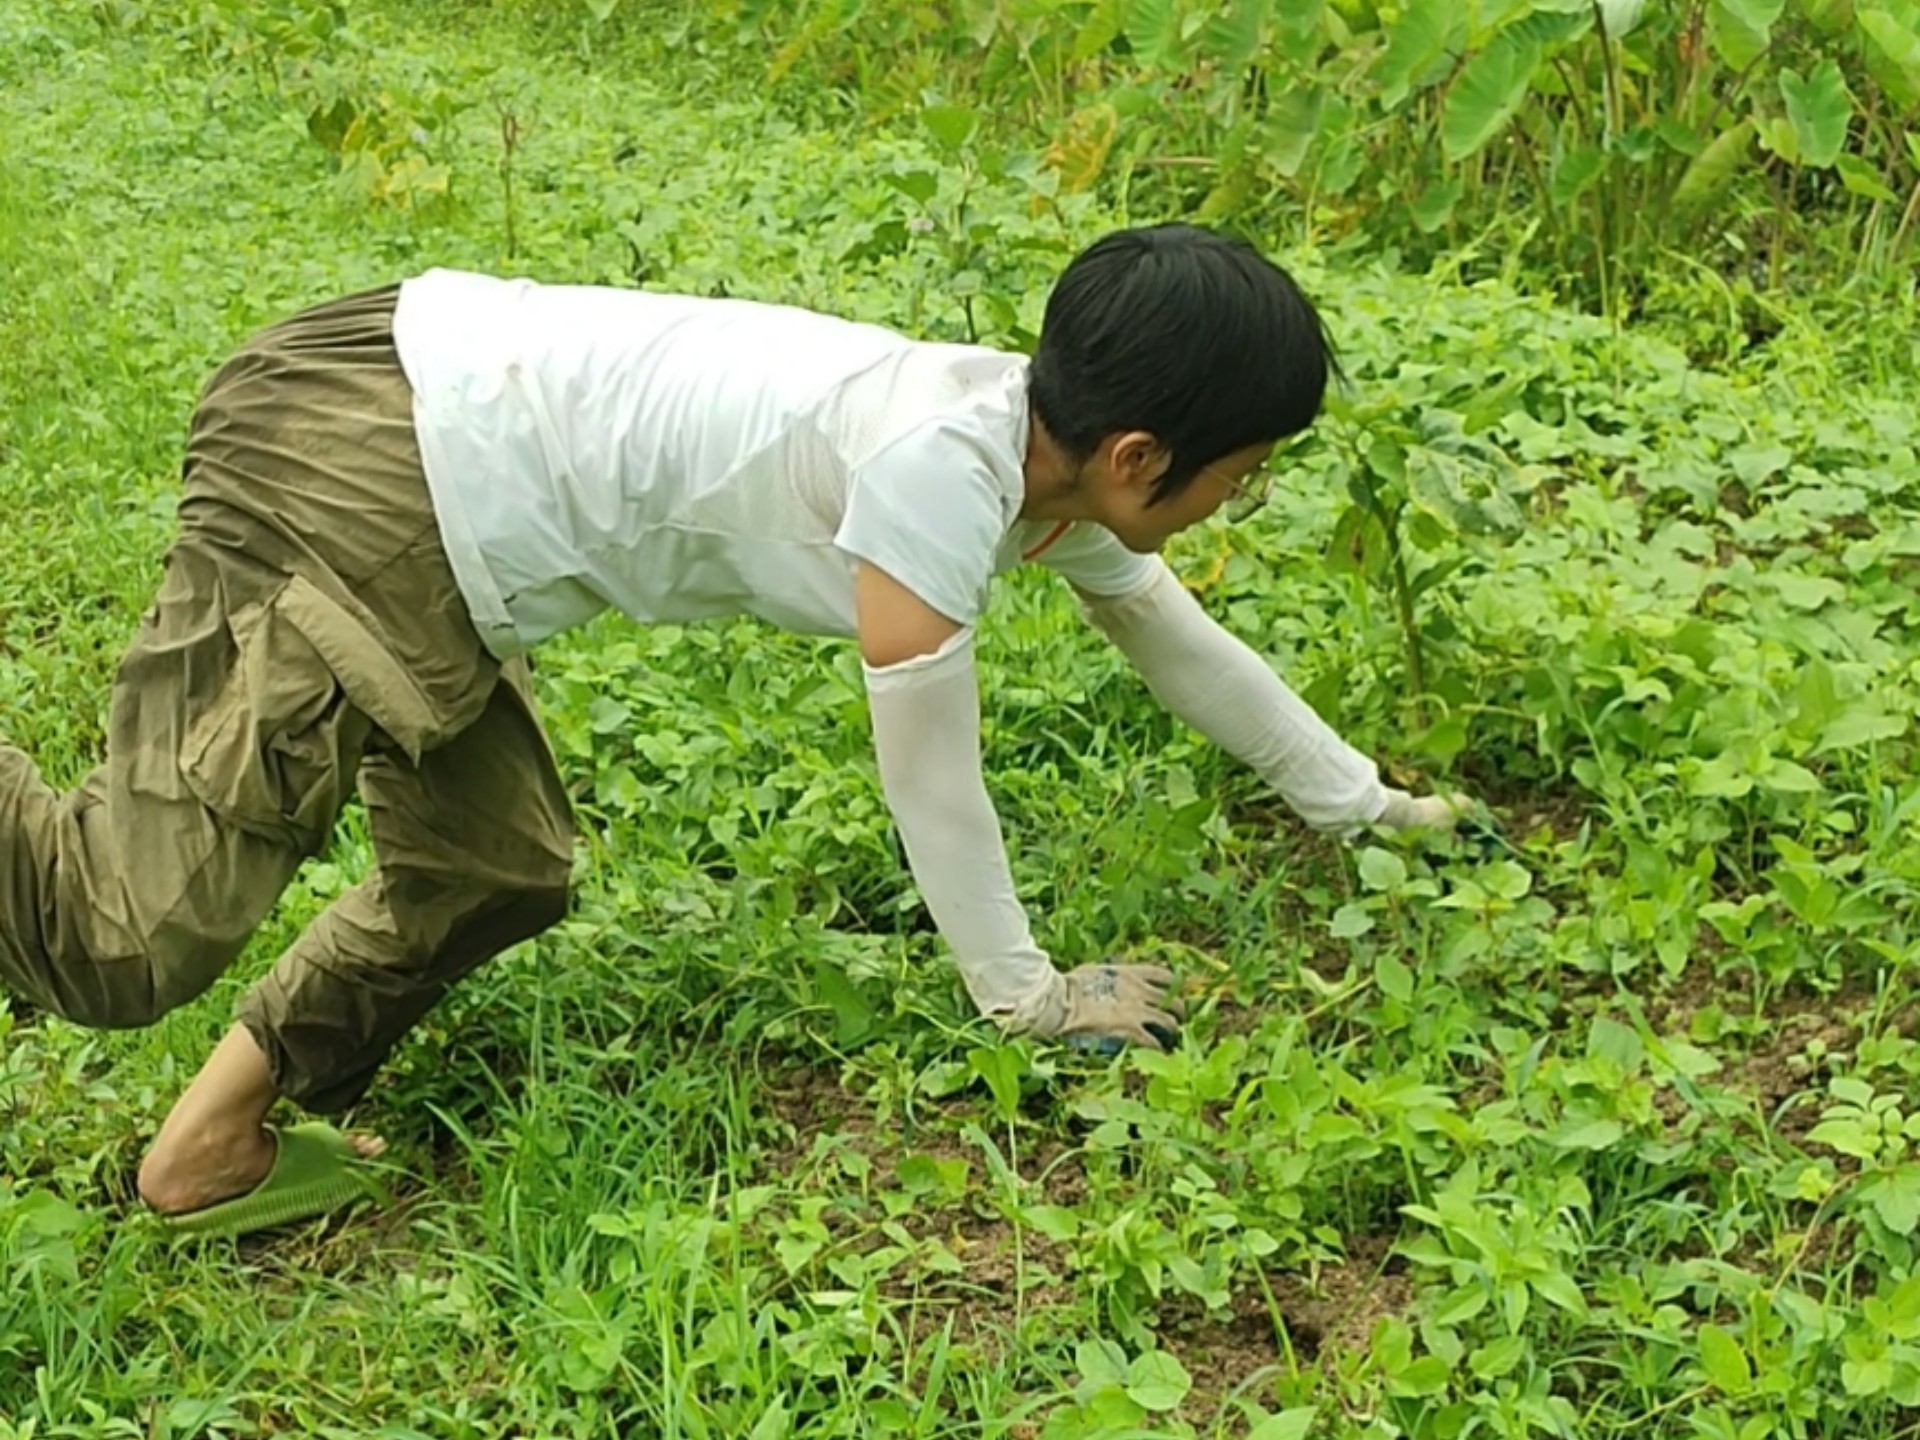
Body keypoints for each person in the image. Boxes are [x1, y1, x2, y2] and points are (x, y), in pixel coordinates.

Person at [0, 223, 1467, 1237]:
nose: (1238, 501)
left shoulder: (1032, 457)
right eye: (1248, 474)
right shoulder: (934, 473)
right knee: (121, 940)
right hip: (363, 457)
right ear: (1144, 455)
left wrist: (1370, 813)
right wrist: (1026, 1000)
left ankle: (206, 1148)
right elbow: (933, 779)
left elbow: (1180, 644)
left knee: (498, 867)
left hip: (436, 481)